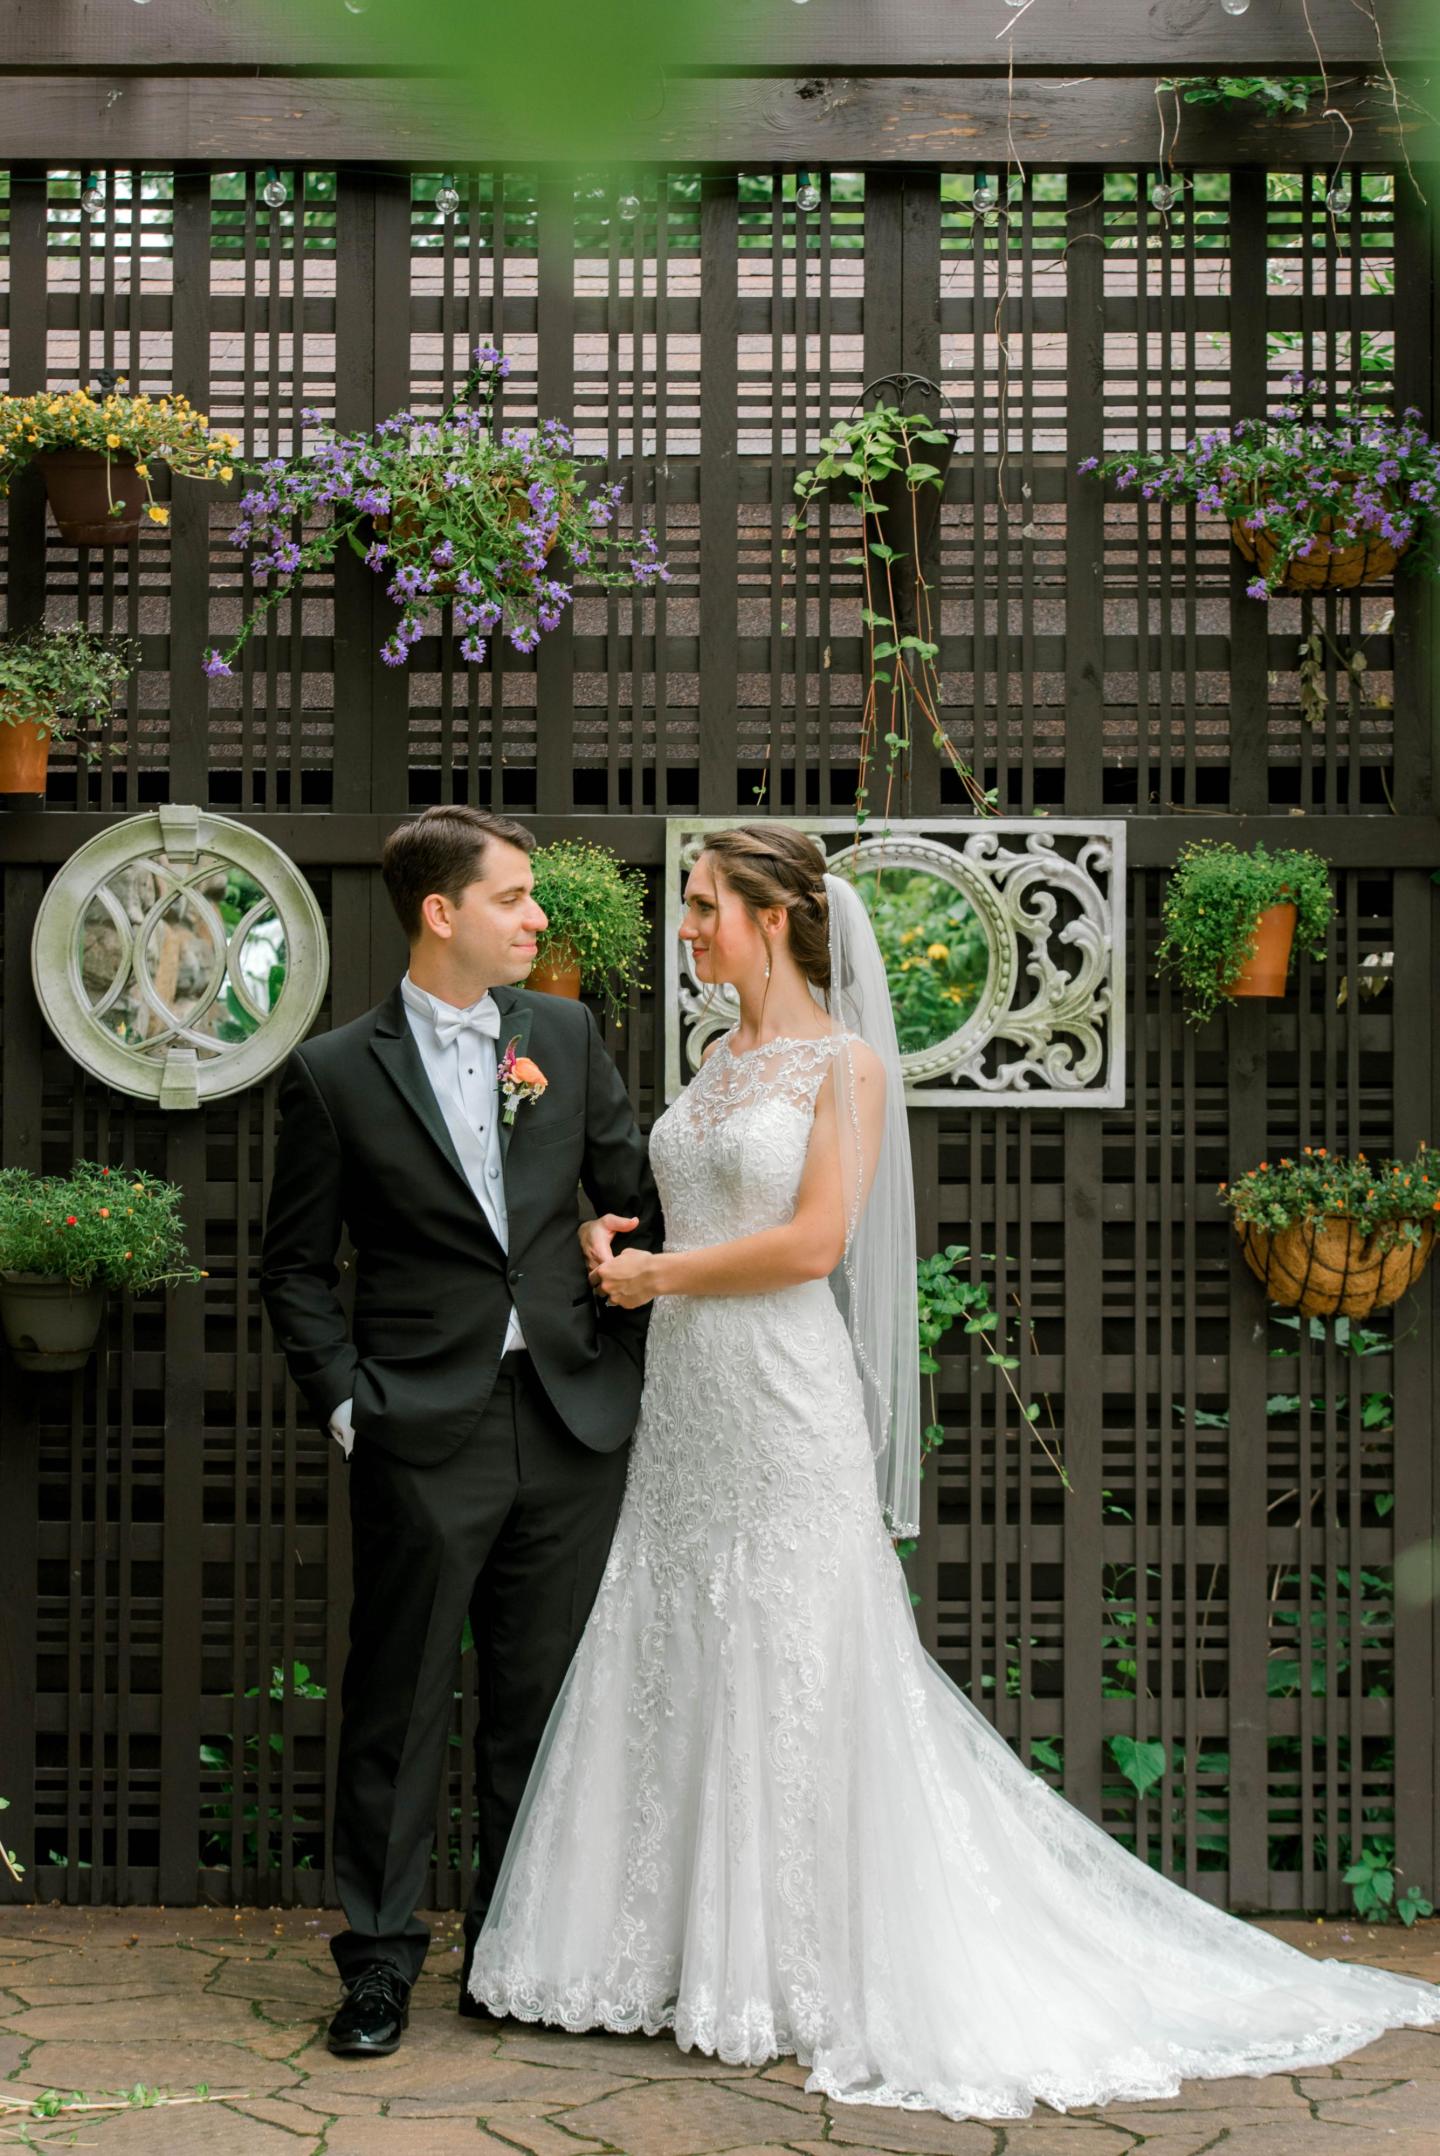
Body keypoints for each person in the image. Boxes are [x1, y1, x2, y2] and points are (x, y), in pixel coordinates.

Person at [469, 822, 1440, 2124]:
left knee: (798, 1650)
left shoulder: (846, 1065)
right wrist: (621, 1234)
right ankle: (679, 1953)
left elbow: (813, 1242)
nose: (686, 928)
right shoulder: (713, 1060)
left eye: (703, 907)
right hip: (693, 1393)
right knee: (684, 1633)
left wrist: (662, 1277)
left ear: (770, 916)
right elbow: (699, 1204)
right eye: (688, 905)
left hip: (780, 1385)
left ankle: (799, 1964)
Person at [260, 805, 662, 2059]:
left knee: (539, 1705)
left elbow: (633, 1200)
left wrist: (614, 1259)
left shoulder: (566, 1033)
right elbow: (292, 1268)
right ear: (443, 912)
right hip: (419, 1425)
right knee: (400, 1698)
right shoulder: (333, 1072)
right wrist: (346, 1405)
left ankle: (514, 1952)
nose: (540, 917)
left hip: (568, 1415)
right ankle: (377, 1965)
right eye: (517, 896)